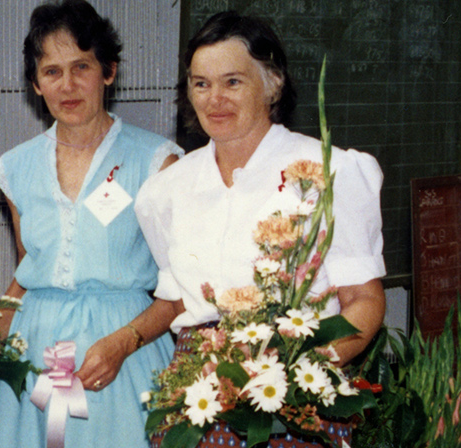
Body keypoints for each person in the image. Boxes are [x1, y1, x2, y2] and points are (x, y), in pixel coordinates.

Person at [136, 10, 386, 447]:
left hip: (294, 400)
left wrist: (297, 372)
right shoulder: (166, 191)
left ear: (273, 83)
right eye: (201, 84)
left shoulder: (331, 172)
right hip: (197, 400)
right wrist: (122, 341)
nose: (215, 98)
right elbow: (177, 302)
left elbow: (364, 301)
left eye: (233, 82)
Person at [0, 1, 182, 447]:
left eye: (82, 66)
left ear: (108, 71)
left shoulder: (156, 162)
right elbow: (27, 266)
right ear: (36, 84)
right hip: (37, 350)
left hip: (119, 351)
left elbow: (181, 287)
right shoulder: (14, 168)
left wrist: (124, 342)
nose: (68, 85)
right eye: (52, 71)